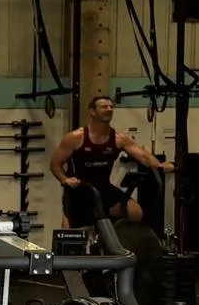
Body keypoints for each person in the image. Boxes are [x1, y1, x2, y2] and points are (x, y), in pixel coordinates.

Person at [49, 96, 172, 227]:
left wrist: (160, 165)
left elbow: (144, 157)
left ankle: (108, 233)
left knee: (135, 212)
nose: (109, 109)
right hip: (79, 191)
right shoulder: (75, 137)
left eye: (111, 107)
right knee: (70, 232)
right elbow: (55, 165)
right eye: (104, 107)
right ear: (92, 111)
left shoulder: (119, 138)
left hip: (104, 189)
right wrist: (65, 179)